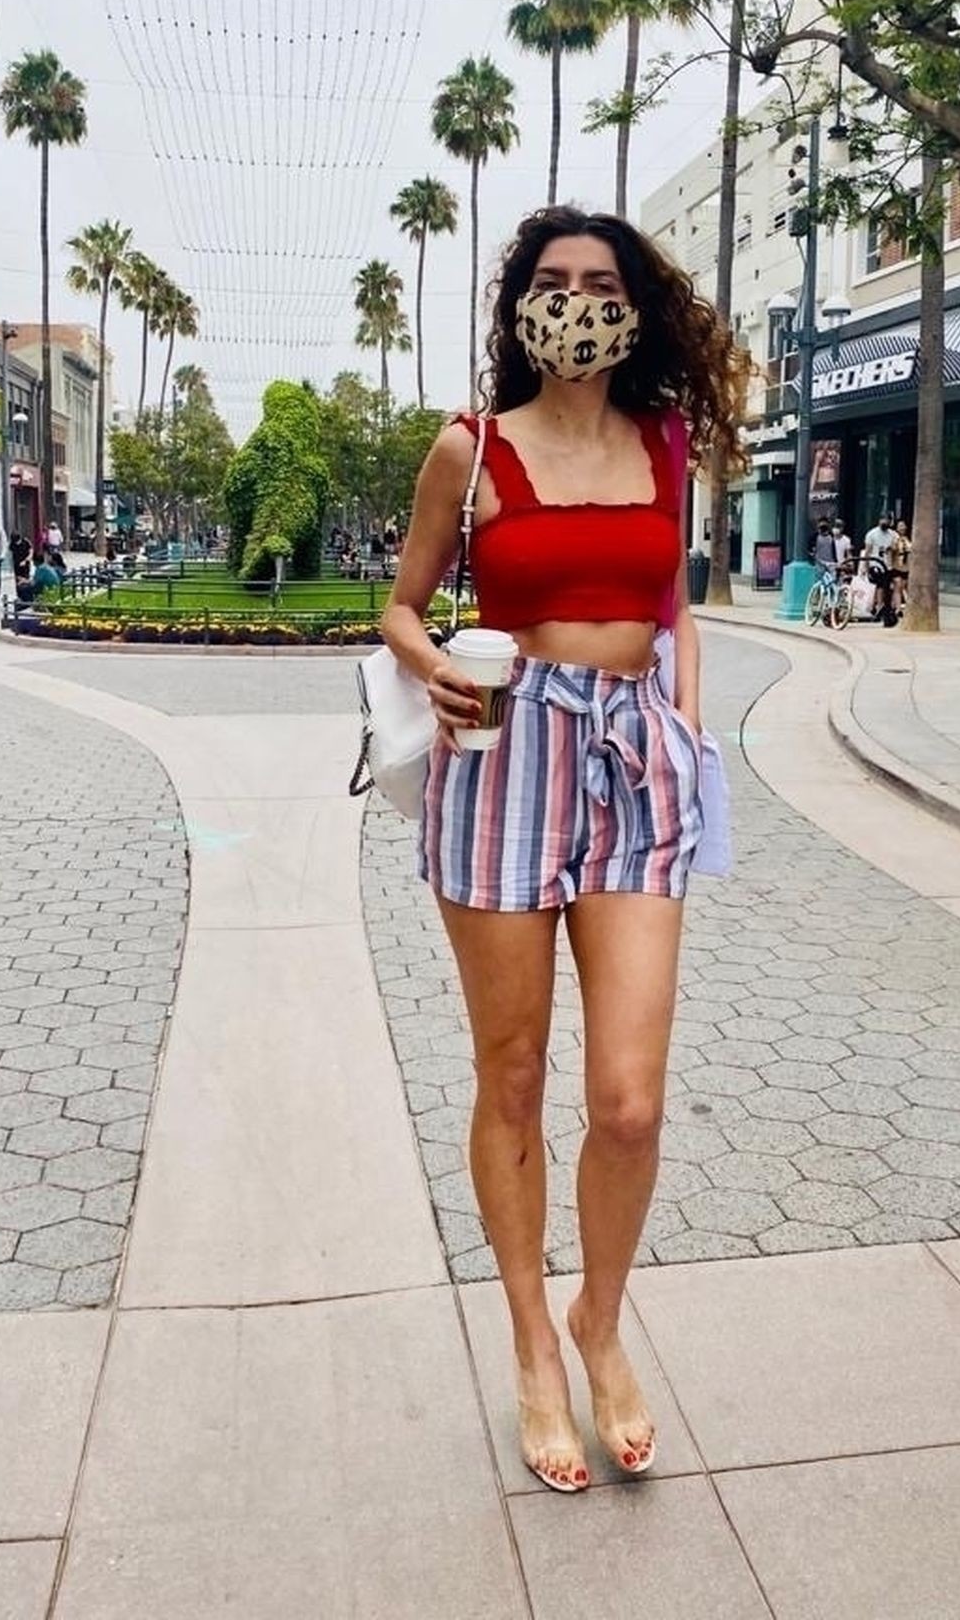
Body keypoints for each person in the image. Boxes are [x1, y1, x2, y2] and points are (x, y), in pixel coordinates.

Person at [380, 205, 736, 1495]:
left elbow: (670, 599)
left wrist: (684, 714)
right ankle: (534, 1339)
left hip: (634, 759)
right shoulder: (470, 448)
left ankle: (601, 1317)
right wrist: (430, 662)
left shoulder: (665, 441)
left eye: (600, 283)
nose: (576, 301)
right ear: (519, 303)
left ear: (634, 307)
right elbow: (402, 605)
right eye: (553, 280)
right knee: (516, 1072)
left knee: (630, 1098)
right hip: (505, 751)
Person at [862, 512, 896, 625]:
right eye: (883, 520)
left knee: (887, 587)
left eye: (887, 520)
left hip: (888, 565)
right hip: (875, 564)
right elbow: (867, 551)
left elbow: (896, 548)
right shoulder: (872, 534)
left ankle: (882, 607)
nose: (884, 522)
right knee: (880, 585)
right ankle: (879, 606)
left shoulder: (893, 535)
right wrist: (866, 566)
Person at [889, 517, 912, 618]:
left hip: (906, 567)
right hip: (896, 566)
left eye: (904, 526)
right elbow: (892, 550)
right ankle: (898, 609)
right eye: (900, 526)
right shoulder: (894, 538)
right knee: (898, 586)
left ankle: (895, 605)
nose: (903, 528)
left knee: (904, 586)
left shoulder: (907, 539)